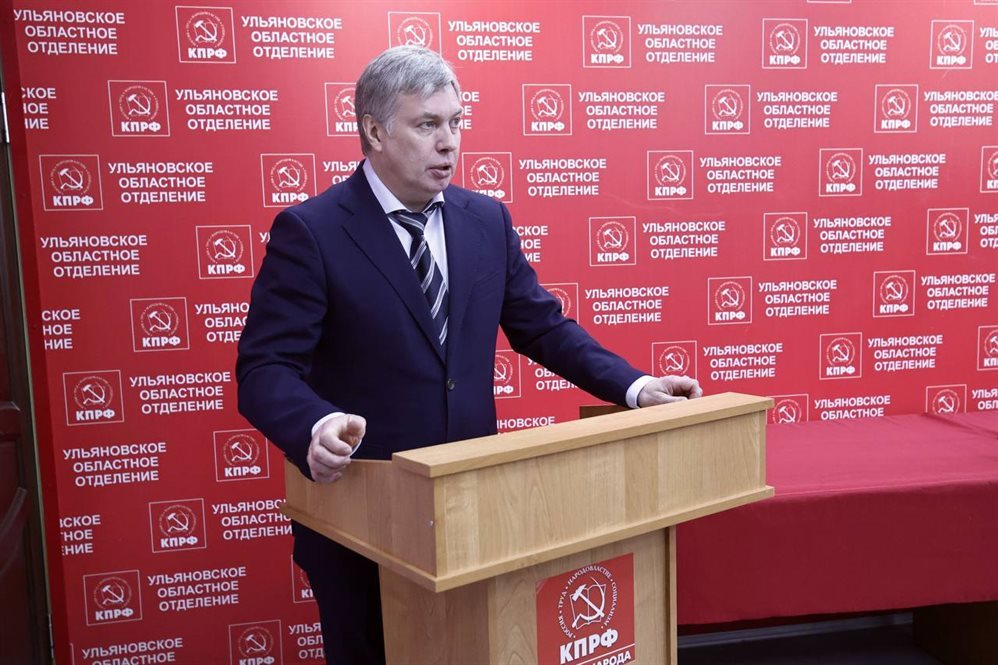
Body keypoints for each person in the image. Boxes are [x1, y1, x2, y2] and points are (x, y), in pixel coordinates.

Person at [236, 45, 702, 665]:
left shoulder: (485, 220)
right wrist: (315, 424)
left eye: (456, 122)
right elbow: (264, 369)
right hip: (364, 523)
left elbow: (542, 327)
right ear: (374, 132)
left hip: (474, 515)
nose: (449, 142)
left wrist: (636, 388)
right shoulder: (313, 231)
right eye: (427, 124)